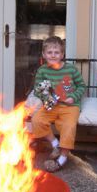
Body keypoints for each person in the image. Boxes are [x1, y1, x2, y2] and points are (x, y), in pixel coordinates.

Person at [31, 36, 85, 172]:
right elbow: (37, 89)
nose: (53, 55)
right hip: (52, 105)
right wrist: (47, 98)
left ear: (62, 54)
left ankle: (62, 158)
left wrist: (73, 97)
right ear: (44, 54)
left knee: (68, 126)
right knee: (37, 120)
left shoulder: (71, 70)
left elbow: (81, 86)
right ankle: (55, 145)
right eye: (49, 52)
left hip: (70, 106)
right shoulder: (42, 71)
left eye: (56, 53)